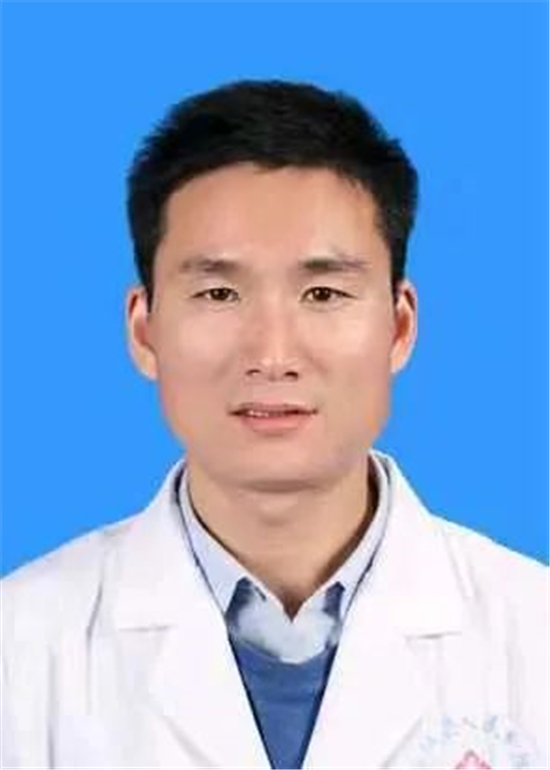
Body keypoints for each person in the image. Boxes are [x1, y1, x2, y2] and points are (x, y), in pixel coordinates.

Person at [1, 80, 547, 770]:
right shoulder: (20, 649)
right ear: (144, 330)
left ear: (399, 326)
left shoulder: (534, 633)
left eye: (323, 293)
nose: (272, 353)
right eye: (219, 292)